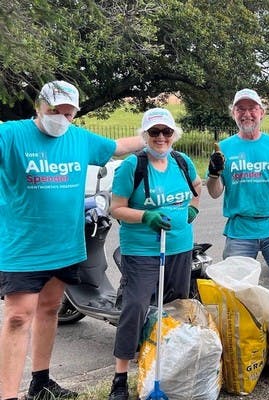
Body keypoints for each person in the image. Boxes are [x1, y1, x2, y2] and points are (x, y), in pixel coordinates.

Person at [0, 80, 144, 400]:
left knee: (50, 309)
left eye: (68, 113)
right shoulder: (11, 135)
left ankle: (41, 382)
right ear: (39, 106)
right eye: (54, 110)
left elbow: (117, 147)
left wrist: (155, 136)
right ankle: (9, 394)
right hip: (22, 246)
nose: (60, 118)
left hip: (65, 244)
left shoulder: (78, 138)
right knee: (18, 316)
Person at [106, 108, 202, 400]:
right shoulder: (131, 167)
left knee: (176, 308)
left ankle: (170, 368)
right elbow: (116, 208)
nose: (161, 137)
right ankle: (120, 378)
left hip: (179, 247)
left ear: (174, 135)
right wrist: (145, 217)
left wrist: (193, 209)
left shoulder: (182, 162)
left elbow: (196, 190)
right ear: (144, 136)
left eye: (166, 132)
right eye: (154, 132)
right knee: (135, 307)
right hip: (142, 251)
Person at [206, 89, 269, 301]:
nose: (246, 113)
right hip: (240, 229)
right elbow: (215, 192)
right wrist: (213, 174)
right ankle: (245, 333)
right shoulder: (224, 148)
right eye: (241, 109)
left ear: (262, 113)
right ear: (233, 113)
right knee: (236, 292)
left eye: (252, 108)